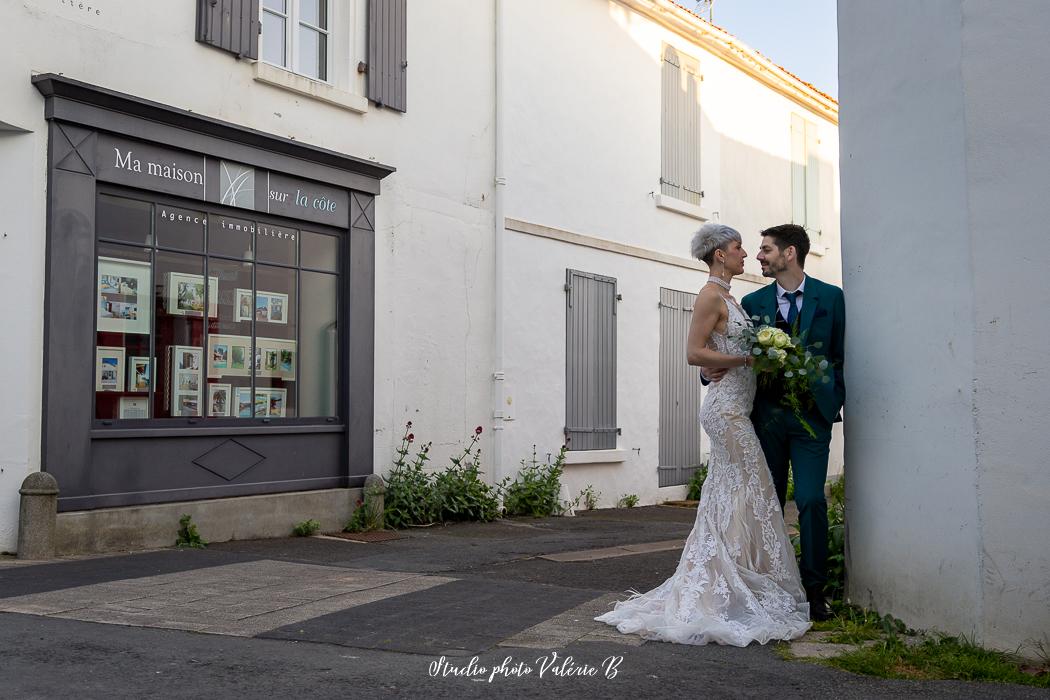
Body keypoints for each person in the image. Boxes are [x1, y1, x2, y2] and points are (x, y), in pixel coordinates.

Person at [595, 223, 810, 646]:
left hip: (737, 407)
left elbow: (716, 352)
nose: (746, 254)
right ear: (718, 254)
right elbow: (694, 352)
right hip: (726, 411)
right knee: (756, 491)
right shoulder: (710, 295)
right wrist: (748, 359)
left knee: (734, 497)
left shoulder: (731, 297)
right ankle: (723, 587)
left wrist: (744, 358)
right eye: (737, 248)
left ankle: (730, 582)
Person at [704, 224, 845, 621]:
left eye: (766, 250)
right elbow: (723, 345)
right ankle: (769, 585)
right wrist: (708, 374)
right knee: (766, 503)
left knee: (813, 500)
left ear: (790, 254)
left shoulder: (831, 298)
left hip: (812, 420)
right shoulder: (752, 300)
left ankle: (815, 591)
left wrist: (832, 399)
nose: (759, 256)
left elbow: (837, 356)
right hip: (764, 418)